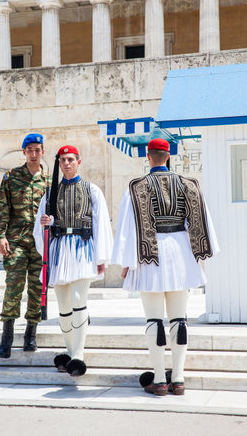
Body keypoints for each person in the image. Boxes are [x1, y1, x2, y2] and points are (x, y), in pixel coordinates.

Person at [111, 138, 219, 396]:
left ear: (148, 157)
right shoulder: (188, 184)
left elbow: (129, 226)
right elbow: (201, 221)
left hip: (151, 255)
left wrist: (127, 263)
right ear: (168, 156)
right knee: (179, 318)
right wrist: (200, 255)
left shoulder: (136, 187)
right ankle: (179, 379)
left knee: (153, 318)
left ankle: (159, 379)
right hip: (181, 255)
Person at [33, 145, 113, 376]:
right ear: (59, 164)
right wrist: (45, 224)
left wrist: (101, 256)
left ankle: (79, 353)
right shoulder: (49, 194)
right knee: (64, 306)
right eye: (63, 160)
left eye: (70, 159)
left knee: (79, 300)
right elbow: (39, 228)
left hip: (81, 249)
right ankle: (70, 351)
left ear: (79, 162)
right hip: (59, 251)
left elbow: (101, 224)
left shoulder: (92, 190)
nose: (66, 163)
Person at [0, 133, 49, 358]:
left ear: (42, 152)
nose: (34, 154)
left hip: (40, 244)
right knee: (14, 285)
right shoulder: (12, 176)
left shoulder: (49, 180)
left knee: (37, 288)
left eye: (37, 150)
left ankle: (30, 334)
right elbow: (1, 207)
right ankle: (6, 336)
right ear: (23, 152)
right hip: (15, 241)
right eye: (29, 150)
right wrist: (0, 236)